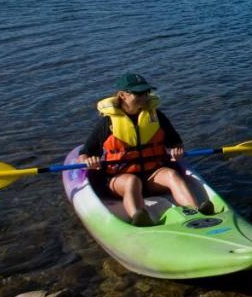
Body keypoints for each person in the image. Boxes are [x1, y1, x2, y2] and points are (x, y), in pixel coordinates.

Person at [78, 73, 209, 227]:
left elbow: (175, 141)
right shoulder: (108, 123)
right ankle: (139, 219)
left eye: (146, 92)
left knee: (172, 175)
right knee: (132, 182)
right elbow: (85, 153)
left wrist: (176, 149)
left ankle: (196, 213)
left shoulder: (156, 117)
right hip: (121, 179)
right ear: (122, 95)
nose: (144, 97)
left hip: (151, 176)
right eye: (138, 93)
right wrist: (88, 161)